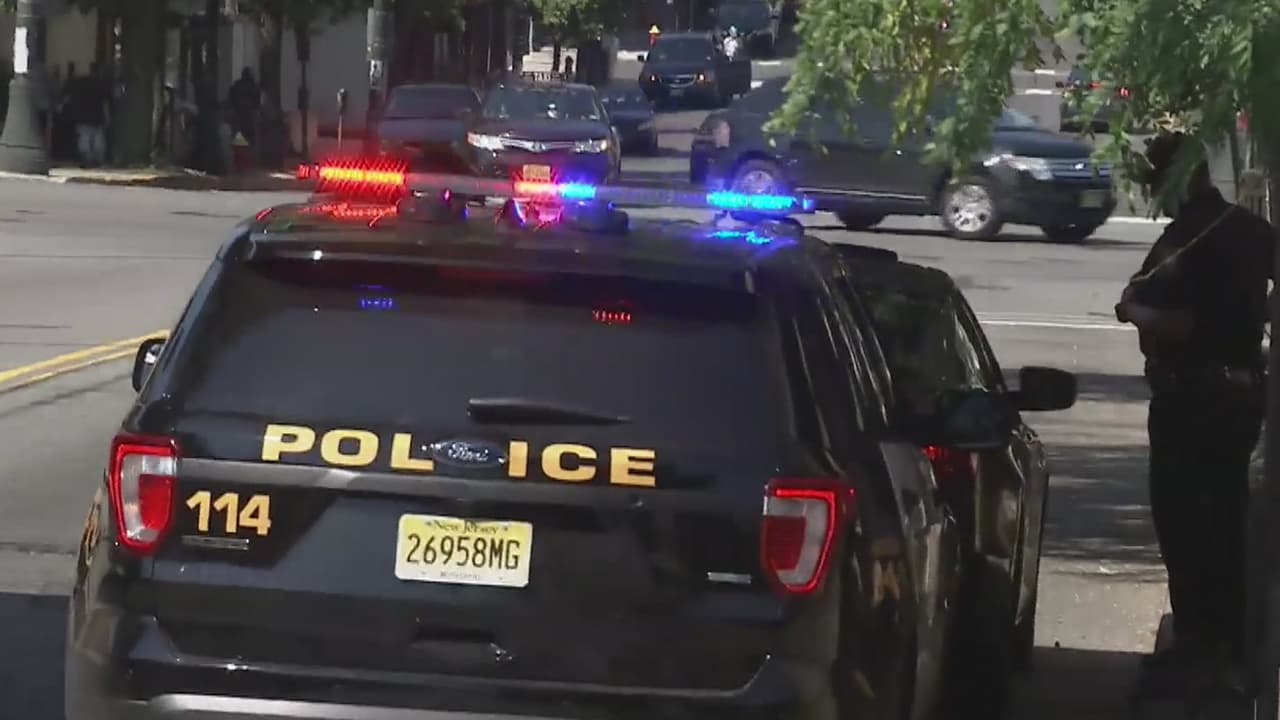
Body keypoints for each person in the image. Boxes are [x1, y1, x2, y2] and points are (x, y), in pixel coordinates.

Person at [1116, 131, 1273, 691]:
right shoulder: (1251, 230)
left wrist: (1132, 312)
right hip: (1241, 397)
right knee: (1227, 518)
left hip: (1190, 398)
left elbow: (1175, 321)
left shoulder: (1184, 239)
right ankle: (1228, 641)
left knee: (1185, 524)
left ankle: (1200, 644)